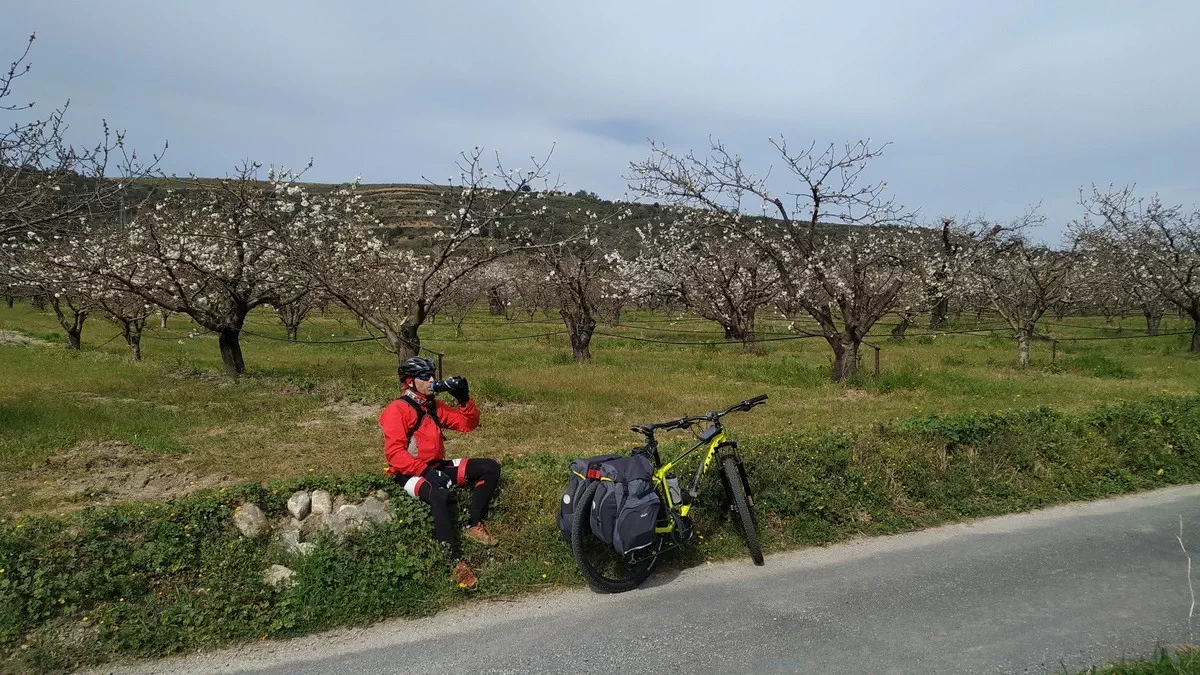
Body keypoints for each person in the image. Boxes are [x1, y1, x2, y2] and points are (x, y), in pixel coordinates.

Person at [379, 356, 501, 589]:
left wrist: (463, 398)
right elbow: (394, 454)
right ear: (410, 382)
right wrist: (425, 471)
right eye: (425, 376)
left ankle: (472, 524)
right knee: (439, 495)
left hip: (434, 465)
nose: (432, 380)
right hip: (408, 471)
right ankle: (455, 563)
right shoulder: (397, 409)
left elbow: (468, 424)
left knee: (490, 467)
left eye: (432, 375)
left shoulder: (432, 405)